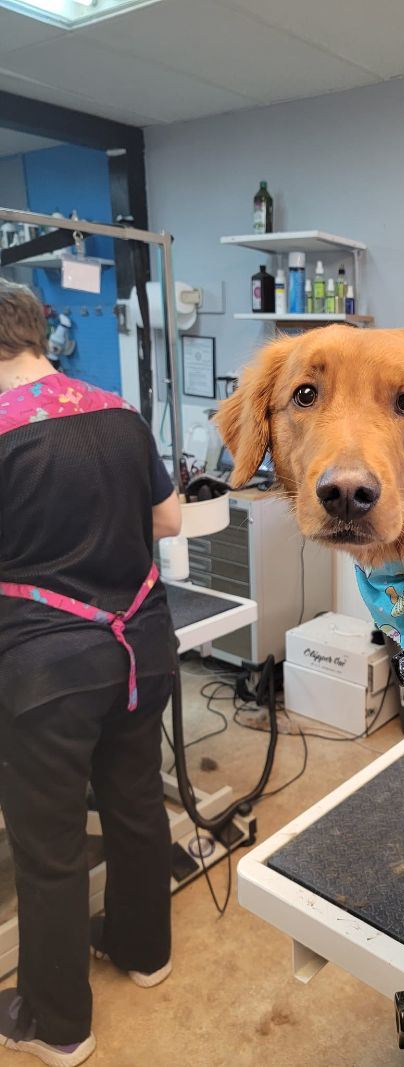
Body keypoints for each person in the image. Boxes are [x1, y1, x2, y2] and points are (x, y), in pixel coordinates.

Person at [0, 279, 181, 1066]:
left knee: (49, 845)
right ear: (40, 334)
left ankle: (57, 1023)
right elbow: (168, 519)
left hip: (47, 671)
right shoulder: (118, 408)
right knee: (136, 803)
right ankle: (145, 952)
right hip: (142, 647)